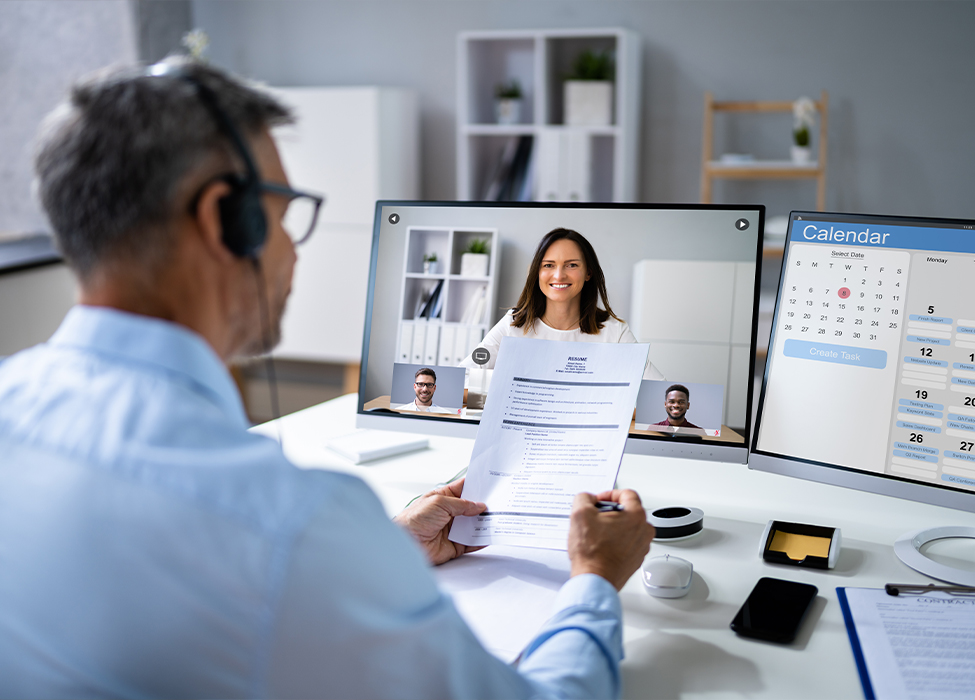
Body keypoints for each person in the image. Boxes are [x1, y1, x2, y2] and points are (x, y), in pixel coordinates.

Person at [0, 58, 655, 699]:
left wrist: (384, 552)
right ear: (227, 219)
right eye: (284, 213)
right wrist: (595, 580)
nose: (292, 247)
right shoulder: (296, 524)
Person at [461, 228, 665, 380]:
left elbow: (661, 394)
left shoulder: (615, 333)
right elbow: (463, 378)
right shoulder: (513, 324)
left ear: (588, 273)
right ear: (537, 273)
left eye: (572, 265)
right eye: (548, 265)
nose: (559, 275)